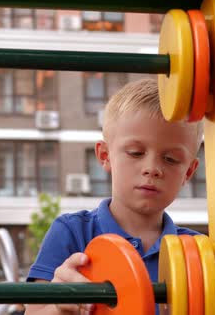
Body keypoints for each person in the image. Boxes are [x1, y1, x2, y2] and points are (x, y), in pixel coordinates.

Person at [25, 78, 203, 315]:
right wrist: (59, 307)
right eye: (136, 153)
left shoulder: (196, 252)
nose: (152, 168)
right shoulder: (71, 232)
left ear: (189, 172)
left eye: (170, 159)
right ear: (105, 155)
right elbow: (34, 312)